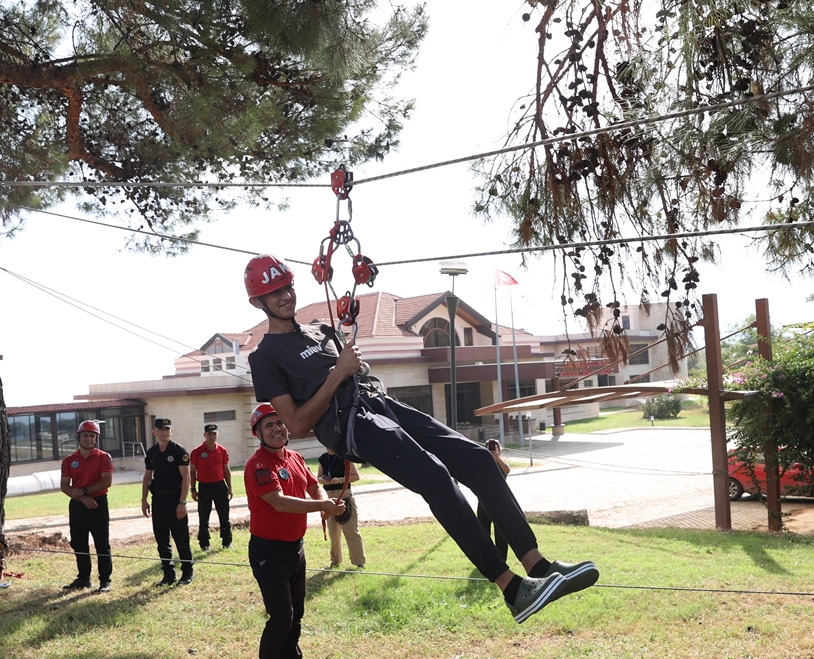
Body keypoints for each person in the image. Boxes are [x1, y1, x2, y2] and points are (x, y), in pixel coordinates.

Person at [243, 254, 599, 624]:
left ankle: (537, 564)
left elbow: (351, 369)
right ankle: (511, 588)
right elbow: (297, 426)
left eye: (287, 286)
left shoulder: (320, 329)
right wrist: (337, 374)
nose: (284, 295)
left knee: (479, 460)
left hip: (377, 403)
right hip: (351, 424)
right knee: (436, 477)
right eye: (273, 292)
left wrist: (350, 357)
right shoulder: (265, 356)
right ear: (258, 302)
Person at [245, 402, 345, 659]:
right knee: (282, 617)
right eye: (269, 425)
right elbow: (279, 501)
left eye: (280, 423)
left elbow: (314, 486)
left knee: (296, 612)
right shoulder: (259, 465)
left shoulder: (295, 457)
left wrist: (325, 502)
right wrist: (321, 506)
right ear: (258, 433)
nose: (277, 429)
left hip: (295, 548)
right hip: (268, 551)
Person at [60, 420, 114, 593]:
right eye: (85, 435)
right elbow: (64, 486)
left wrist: (83, 491)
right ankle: (84, 578)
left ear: (96, 438)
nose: (89, 439)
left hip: (98, 504)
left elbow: (107, 481)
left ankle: (105, 580)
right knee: (79, 543)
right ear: (79, 436)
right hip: (77, 506)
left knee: (101, 543)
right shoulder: (69, 460)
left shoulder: (104, 457)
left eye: (92, 436)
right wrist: (83, 498)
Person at [142, 418, 194, 586]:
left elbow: (186, 478)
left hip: (175, 500)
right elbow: (147, 477)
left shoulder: (179, 451)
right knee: (162, 539)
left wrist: (182, 502)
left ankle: (187, 572)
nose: (163, 432)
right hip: (158, 500)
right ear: (154, 432)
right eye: (160, 429)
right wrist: (144, 500)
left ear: (171, 431)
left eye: (167, 429)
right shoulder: (151, 452)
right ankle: (168, 574)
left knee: (181, 538)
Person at [316, 446, 366, 569]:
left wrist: (340, 480)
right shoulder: (323, 458)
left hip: (344, 496)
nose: (329, 449)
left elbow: (356, 476)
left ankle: (359, 562)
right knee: (333, 533)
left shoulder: (345, 457)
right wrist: (323, 480)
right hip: (328, 497)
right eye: (326, 446)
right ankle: (335, 561)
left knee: (351, 530)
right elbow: (318, 478)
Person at [190, 423, 232, 551]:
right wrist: (193, 489)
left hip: (220, 486)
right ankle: (204, 543)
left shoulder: (222, 450)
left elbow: (226, 469)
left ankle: (227, 542)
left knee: (224, 516)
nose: (212, 436)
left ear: (217, 435)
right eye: (209, 434)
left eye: (214, 433)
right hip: (204, 487)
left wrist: (230, 487)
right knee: (204, 517)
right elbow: (192, 472)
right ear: (204, 435)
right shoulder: (197, 451)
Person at [476, 439, 510, 560]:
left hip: (500, 501)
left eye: (495, 448)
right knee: (483, 530)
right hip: (484, 500)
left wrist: (497, 458)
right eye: (490, 448)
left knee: (501, 531)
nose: (493, 451)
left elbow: (507, 471)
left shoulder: (501, 463)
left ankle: (502, 557)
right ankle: (487, 557)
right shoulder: (481, 463)